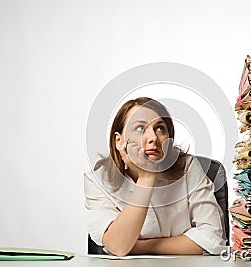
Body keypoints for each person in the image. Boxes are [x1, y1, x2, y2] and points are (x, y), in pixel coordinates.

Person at [84, 97, 226, 256]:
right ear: (119, 141)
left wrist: (139, 247)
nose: (153, 138)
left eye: (160, 128)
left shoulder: (188, 167)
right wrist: (146, 177)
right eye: (139, 128)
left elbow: (213, 238)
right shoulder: (97, 180)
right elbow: (119, 246)